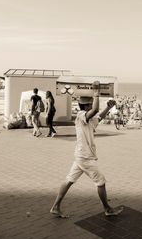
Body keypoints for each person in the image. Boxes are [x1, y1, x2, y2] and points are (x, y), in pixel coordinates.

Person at [50, 81, 124, 218]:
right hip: (86, 157)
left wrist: (107, 108)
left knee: (69, 180)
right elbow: (95, 111)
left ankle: (56, 206)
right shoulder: (80, 116)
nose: (92, 106)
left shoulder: (88, 119)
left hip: (80, 156)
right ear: (86, 106)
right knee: (101, 182)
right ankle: (107, 209)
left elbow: (99, 117)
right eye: (90, 104)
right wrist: (96, 92)